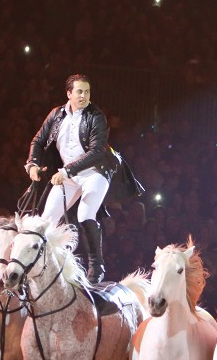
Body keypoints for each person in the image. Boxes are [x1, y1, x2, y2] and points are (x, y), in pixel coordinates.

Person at [25, 73, 143, 283]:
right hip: (68, 175)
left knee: (84, 213)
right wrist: (32, 164)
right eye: (79, 91)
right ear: (69, 94)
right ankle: (45, 265)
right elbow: (39, 140)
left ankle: (96, 266)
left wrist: (66, 172)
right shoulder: (56, 115)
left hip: (95, 172)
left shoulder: (96, 116)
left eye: (87, 91)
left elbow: (97, 152)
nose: (84, 96)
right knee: (46, 220)